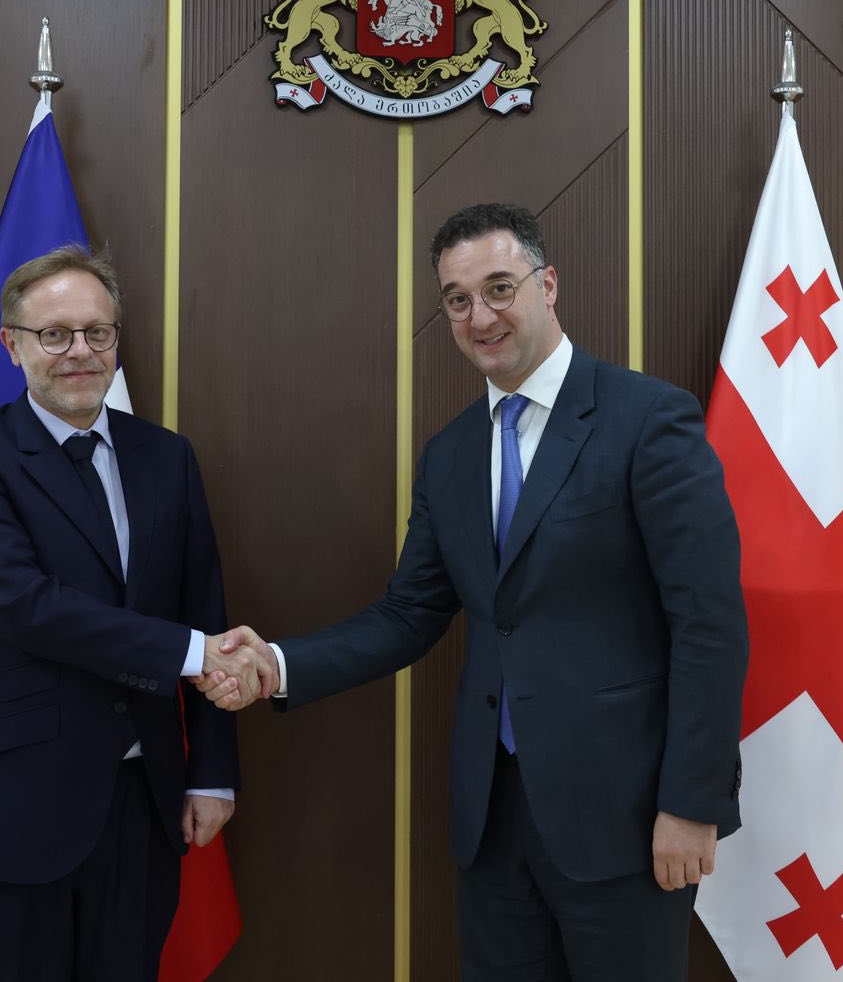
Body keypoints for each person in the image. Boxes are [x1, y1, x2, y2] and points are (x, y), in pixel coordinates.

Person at [199, 204, 748, 980]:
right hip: (492, 823)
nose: (480, 317)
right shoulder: (450, 454)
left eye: (498, 288)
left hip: (627, 818)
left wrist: (692, 802)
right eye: (457, 300)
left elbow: (709, 625)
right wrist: (277, 665)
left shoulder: (648, 419)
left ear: (547, 285)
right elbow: (409, 613)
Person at [0, 247, 272, 981]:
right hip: (14, 812)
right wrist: (195, 652)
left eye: (97, 332)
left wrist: (212, 773)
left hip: (145, 806)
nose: (80, 351)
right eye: (55, 334)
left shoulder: (168, 457)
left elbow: (203, 605)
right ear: (12, 345)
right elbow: (29, 609)